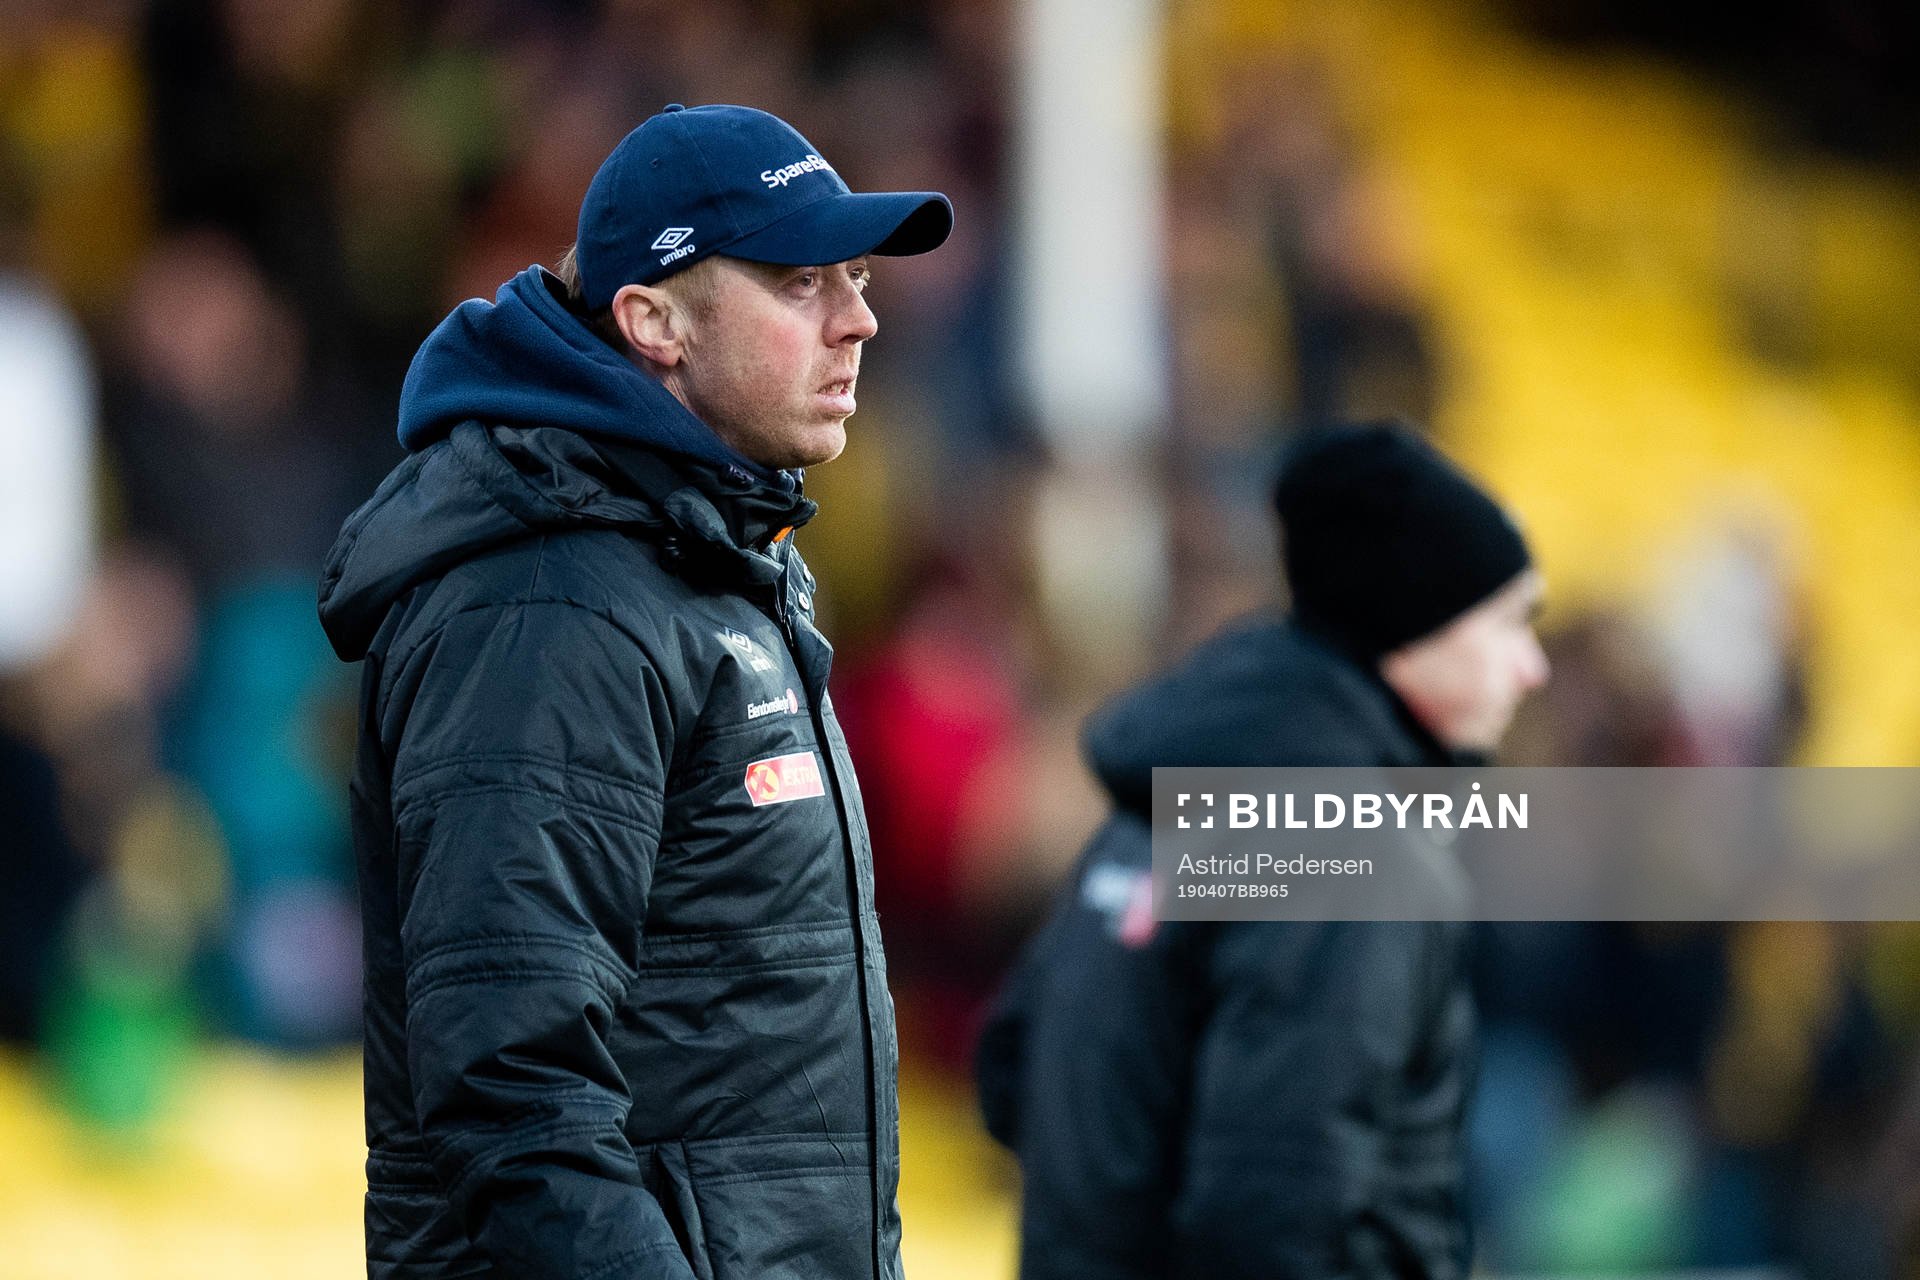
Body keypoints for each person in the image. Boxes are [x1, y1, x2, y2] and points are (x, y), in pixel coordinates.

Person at [317, 103, 950, 1280]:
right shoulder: (549, 600)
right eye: (803, 280)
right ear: (652, 319)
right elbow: (517, 1096)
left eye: (856, 276)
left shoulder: (706, 556)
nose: (859, 319)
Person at [975, 421, 1549, 1280]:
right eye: (1508, 624)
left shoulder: (1159, 804)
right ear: (1413, 628)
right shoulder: (1350, 850)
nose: (1531, 666)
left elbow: (1015, 1072)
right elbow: (1275, 1202)